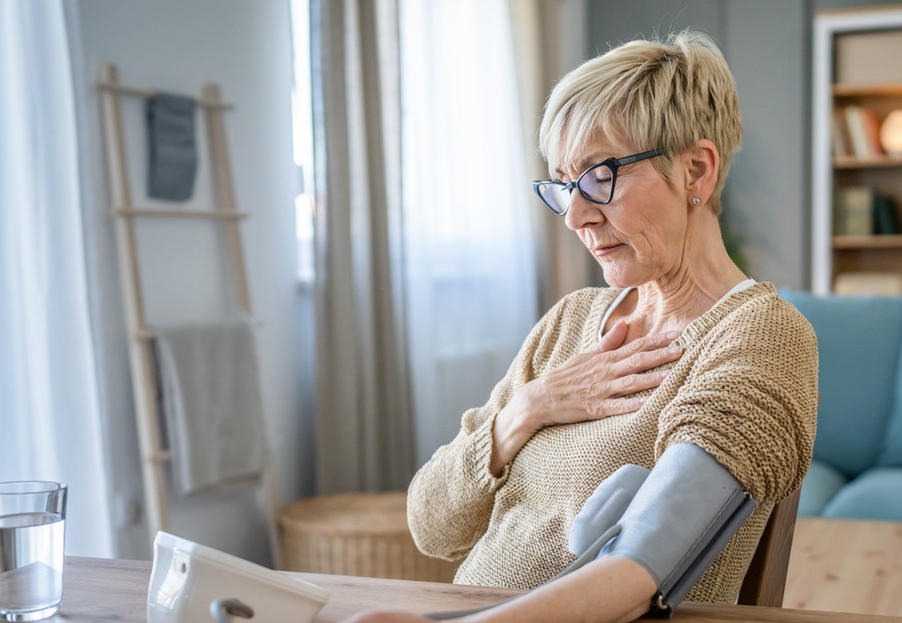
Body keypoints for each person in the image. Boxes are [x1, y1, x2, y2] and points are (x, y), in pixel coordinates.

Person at [345, 31, 818, 623]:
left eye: (600, 176)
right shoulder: (570, 321)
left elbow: (644, 569)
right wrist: (528, 408)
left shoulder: (761, 335)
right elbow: (432, 526)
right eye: (566, 185)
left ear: (696, 171)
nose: (575, 215)